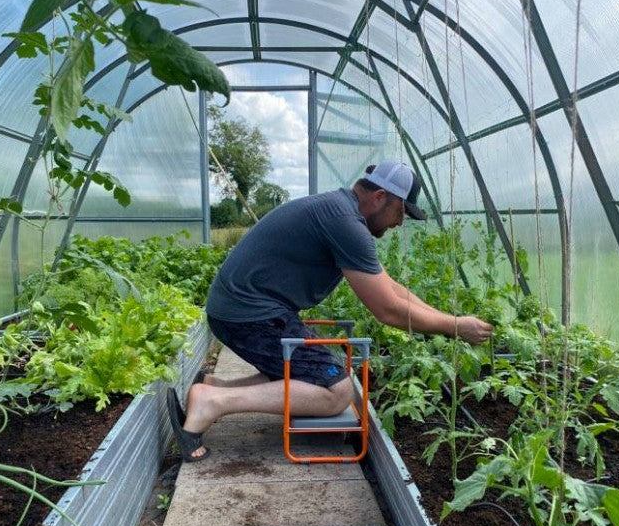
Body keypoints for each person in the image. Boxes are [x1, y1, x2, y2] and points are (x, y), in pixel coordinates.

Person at [175, 160, 493, 461]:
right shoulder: (345, 223)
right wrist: (454, 327)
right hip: (248, 314)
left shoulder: (340, 212)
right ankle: (212, 403)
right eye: (401, 211)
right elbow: (388, 310)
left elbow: (390, 286)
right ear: (380, 197)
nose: (400, 222)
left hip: (246, 308)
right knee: (336, 391)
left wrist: (450, 320)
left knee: (305, 369)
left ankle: (215, 387)